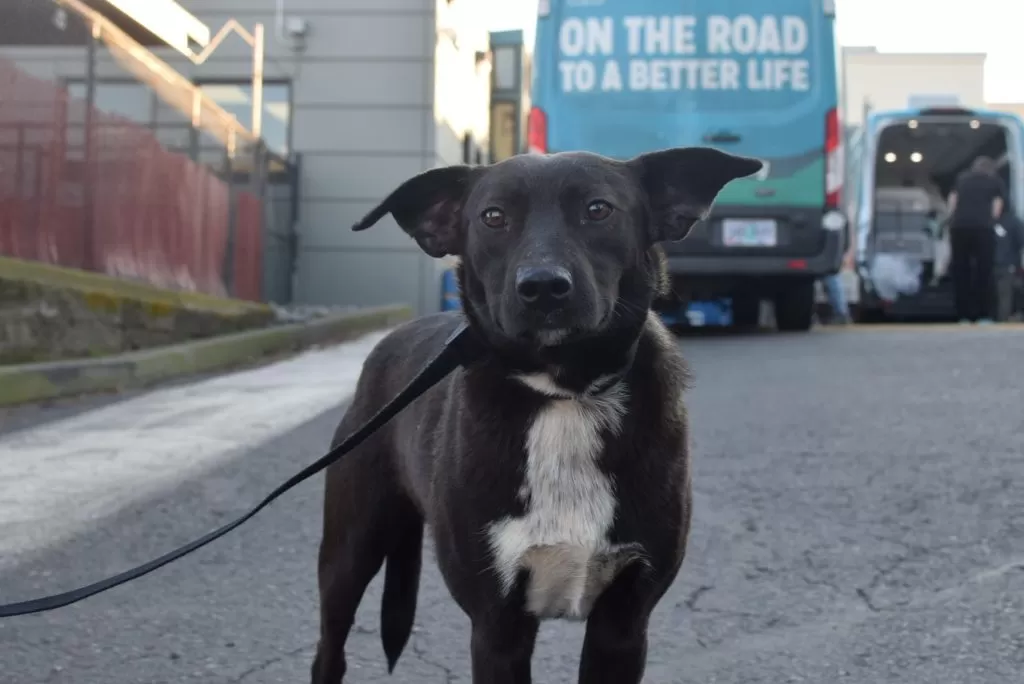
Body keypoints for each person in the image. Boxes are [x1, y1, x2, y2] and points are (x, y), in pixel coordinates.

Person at [946, 156, 1008, 324]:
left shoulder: (962, 178)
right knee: (984, 272)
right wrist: (992, 221)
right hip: (983, 228)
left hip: (959, 228)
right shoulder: (995, 181)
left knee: (961, 272)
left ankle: (963, 315)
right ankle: (984, 315)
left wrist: (950, 219)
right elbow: (997, 205)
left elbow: (952, 201)